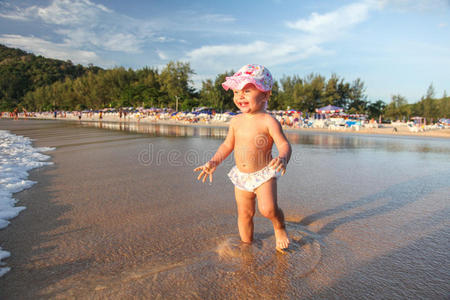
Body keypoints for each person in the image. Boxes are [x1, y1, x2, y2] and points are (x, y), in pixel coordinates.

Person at [194, 64, 292, 251]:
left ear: (265, 95)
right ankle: (246, 246)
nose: (240, 96)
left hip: (264, 174)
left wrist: (283, 158)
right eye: (237, 91)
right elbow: (227, 145)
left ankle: (279, 228)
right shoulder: (236, 121)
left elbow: (284, 144)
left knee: (268, 209)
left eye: (247, 91)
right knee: (245, 214)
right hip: (241, 175)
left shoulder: (268, 121)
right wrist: (213, 162)